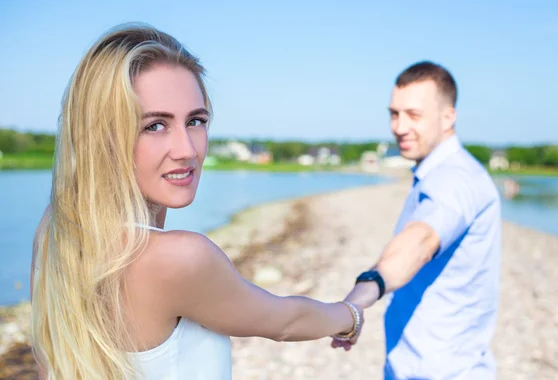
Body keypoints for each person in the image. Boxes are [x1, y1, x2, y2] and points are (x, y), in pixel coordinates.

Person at [29, 23, 363, 380]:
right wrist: (351, 315)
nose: (187, 150)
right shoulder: (179, 257)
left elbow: (48, 361)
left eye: (195, 121)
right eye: (155, 125)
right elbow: (284, 320)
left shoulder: (56, 226)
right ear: (103, 137)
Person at [334, 61, 502, 379]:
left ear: (448, 116)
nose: (399, 126)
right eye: (394, 114)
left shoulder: (455, 180)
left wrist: (355, 304)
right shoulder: (434, 174)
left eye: (414, 115)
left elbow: (419, 243)